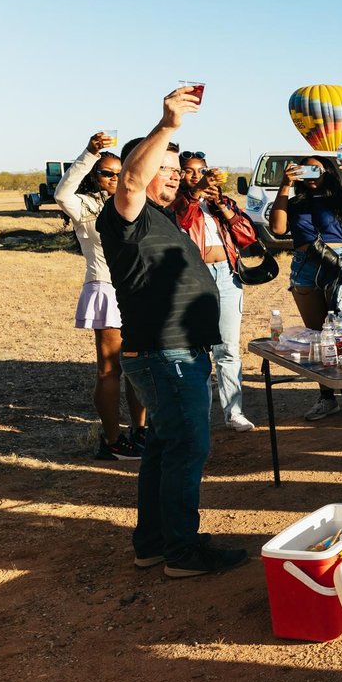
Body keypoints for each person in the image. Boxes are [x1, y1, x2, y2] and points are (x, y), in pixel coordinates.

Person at [96, 88, 247, 578]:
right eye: (167, 167)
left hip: (175, 352)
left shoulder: (163, 219)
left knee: (164, 449)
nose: (177, 175)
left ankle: (154, 544)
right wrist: (168, 126)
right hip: (167, 354)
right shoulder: (127, 214)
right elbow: (132, 180)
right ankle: (182, 553)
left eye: (179, 169)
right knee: (187, 450)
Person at [54, 134, 146, 460]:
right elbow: (62, 192)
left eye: (120, 173)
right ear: (96, 175)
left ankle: (140, 431)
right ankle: (111, 440)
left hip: (137, 290)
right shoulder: (85, 206)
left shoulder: (133, 202)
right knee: (110, 369)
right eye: (107, 173)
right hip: (105, 288)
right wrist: (89, 153)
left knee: (138, 365)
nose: (114, 179)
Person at [268, 153, 342, 421]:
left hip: (339, 265)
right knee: (317, 336)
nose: (311, 175)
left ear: (328, 172)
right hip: (305, 267)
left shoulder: (339, 198)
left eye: (317, 170)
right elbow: (277, 229)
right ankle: (327, 397)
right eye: (306, 170)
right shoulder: (294, 202)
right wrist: (285, 184)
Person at [174, 151, 257, 432]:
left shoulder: (221, 202)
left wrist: (221, 204)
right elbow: (183, 220)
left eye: (201, 170)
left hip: (227, 274)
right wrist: (197, 193)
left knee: (228, 348)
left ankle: (234, 412)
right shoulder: (177, 201)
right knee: (197, 350)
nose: (196, 175)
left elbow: (247, 236)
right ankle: (200, 417)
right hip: (195, 277)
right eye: (188, 170)